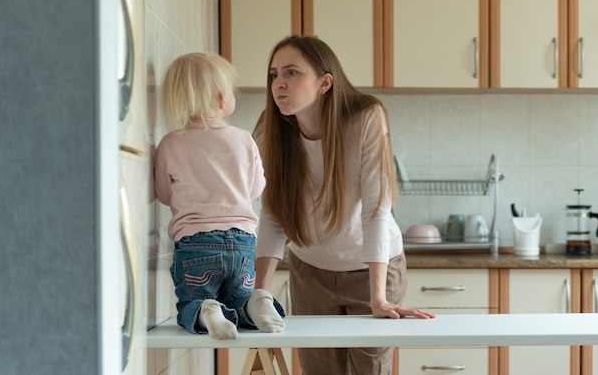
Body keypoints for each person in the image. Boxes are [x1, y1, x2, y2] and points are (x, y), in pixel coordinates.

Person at [253, 36, 435, 374]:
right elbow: (273, 214)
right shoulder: (270, 128)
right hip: (309, 272)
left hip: (372, 272)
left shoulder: (366, 117)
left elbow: (376, 210)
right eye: (274, 74)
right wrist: (259, 294)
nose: (279, 83)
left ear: (325, 82)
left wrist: (378, 299)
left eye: (292, 72)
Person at [154, 52, 286, 340]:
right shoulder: (243, 139)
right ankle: (257, 301)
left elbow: (163, 195)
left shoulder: (170, 143)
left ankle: (205, 310)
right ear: (221, 99)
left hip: (195, 244)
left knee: (192, 303)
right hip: (242, 241)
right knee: (238, 303)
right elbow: (255, 189)